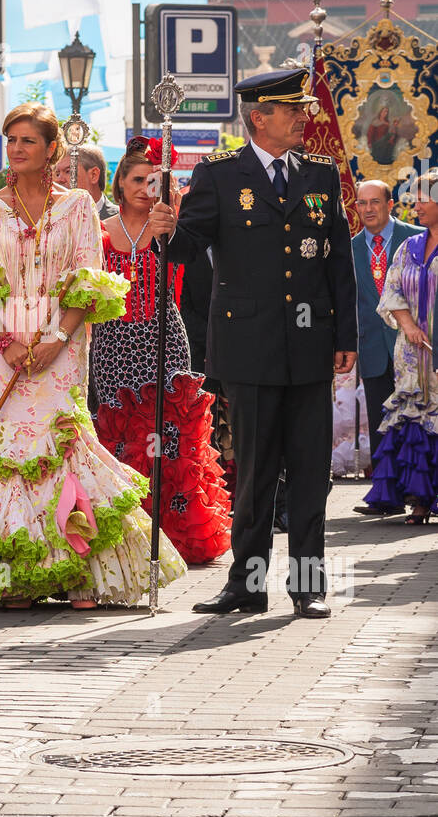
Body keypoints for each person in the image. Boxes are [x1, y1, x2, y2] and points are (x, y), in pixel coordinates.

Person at [0, 102, 186, 609]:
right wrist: (8, 343)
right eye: (11, 140)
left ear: (51, 150)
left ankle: (80, 573)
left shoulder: (79, 207)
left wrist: (56, 338)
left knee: (65, 444)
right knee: (12, 451)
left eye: (28, 141)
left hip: (64, 341)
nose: (16, 150)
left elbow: (91, 278)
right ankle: (16, 575)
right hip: (4, 344)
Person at [149, 68, 358, 620]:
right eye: (291, 110)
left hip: (311, 345)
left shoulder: (320, 174)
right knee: (257, 472)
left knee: (312, 474)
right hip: (249, 347)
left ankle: (308, 586)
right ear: (258, 117)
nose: (302, 119)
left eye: (301, 109)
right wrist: (166, 228)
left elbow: (338, 259)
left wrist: (346, 336)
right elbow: (188, 249)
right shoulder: (220, 175)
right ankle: (246, 585)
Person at [91, 138, 232, 564]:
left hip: (164, 339)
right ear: (119, 183)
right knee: (121, 433)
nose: (143, 187)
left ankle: (176, 532)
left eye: (152, 180)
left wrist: (171, 220)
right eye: (136, 179)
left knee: (171, 434)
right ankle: (127, 534)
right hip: (112, 343)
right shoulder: (98, 232)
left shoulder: (172, 232)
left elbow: (203, 287)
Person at [362, 172, 438, 523]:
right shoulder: (408, 247)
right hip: (410, 355)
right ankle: (419, 501)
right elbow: (391, 291)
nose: (416, 205)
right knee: (414, 424)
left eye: (423, 198)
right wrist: (406, 323)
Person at [350, 179, 421, 494]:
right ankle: (386, 491)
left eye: (374, 202)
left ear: (390, 205)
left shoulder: (416, 239)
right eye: (362, 203)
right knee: (381, 423)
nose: (368, 209)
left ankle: (418, 487)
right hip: (372, 348)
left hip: (413, 348)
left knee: (417, 420)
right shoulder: (348, 248)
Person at [54, 144, 118, 220]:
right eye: (57, 174)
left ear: (94, 175)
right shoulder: (51, 220)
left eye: (68, 171)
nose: (58, 180)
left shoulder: (121, 220)